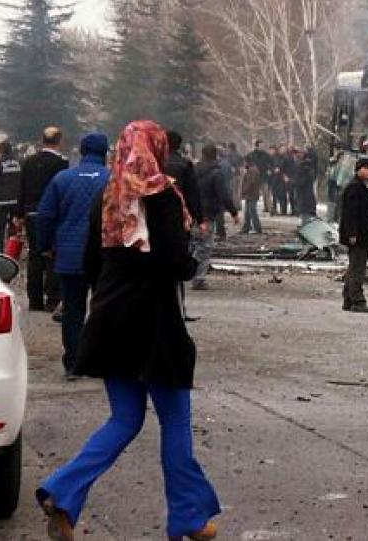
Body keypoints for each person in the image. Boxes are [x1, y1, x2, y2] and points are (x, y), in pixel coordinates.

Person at [36, 121, 220, 541]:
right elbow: (175, 260)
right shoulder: (163, 195)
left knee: (123, 419)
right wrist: (189, 265)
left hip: (110, 322)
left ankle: (62, 493)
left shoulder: (109, 195)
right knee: (175, 421)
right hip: (154, 325)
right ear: (156, 149)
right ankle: (188, 517)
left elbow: (90, 261)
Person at [35, 133, 111, 379]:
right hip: (105, 256)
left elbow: (46, 215)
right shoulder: (114, 180)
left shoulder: (63, 179)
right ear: (105, 152)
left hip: (70, 253)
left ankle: (74, 363)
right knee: (104, 308)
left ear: (80, 151)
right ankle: (100, 359)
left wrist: (45, 245)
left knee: (73, 310)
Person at [16, 126, 70, 311]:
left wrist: (18, 214)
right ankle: (53, 299)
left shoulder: (29, 161)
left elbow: (21, 188)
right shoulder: (61, 164)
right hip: (53, 214)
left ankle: (35, 299)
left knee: (34, 255)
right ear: (59, 141)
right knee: (52, 254)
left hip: (31, 213)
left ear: (42, 140)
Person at [191, 144, 239, 291]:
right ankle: (198, 278)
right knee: (204, 246)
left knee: (193, 244)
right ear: (216, 156)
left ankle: (188, 272)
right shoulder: (216, 173)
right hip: (207, 214)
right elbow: (223, 195)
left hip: (191, 212)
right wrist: (233, 212)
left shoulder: (192, 170)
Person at [339, 157, 368, 313]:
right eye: (366, 167)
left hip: (366, 233)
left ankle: (348, 299)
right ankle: (358, 301)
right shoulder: (354, 188)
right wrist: (352, 234)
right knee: (358, 268)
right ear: (358, 170)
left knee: (354, 266)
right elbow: (350, 214)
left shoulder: (367, 186)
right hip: (358, 235)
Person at [246, 139, 274, 213]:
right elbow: (246, 164)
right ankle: (251, 208)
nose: (263, 147)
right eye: (261, 145)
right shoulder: (251, 155)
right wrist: (249, 169)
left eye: (263, 145)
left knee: (266, 193)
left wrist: (270, 169)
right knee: (253, 193)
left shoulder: (266, 155)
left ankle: (269, 208)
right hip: (254, 177)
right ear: (257, 146)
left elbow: (272, 163)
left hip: (264, 176)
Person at [239, 157, 263, 234]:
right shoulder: (251, 170)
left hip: (252, 194)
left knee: (252, 211)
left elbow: (250, 183)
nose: (243, 164)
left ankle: (257, 228)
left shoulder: (252, 171)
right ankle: (246, 228)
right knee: (247, 212)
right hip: (250, 194)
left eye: (244, 162)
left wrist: (243, 191)